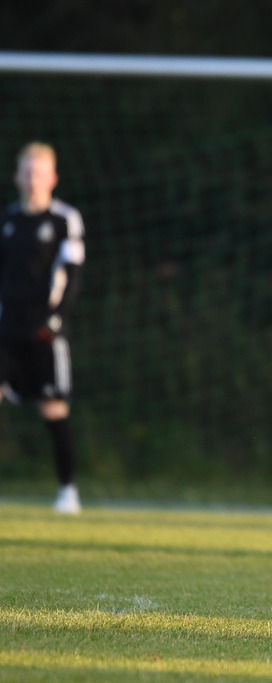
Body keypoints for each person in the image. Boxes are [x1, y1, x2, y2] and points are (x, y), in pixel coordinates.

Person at [1, 142, 86, 515]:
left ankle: (68, 490)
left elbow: (74, 274)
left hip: (44, 330)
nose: (33, 179)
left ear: (53, 178)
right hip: (6, 328)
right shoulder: (8, 220)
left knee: (53, 408)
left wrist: (55, 320)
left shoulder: (65, 219)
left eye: (40, 172)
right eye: (27, 171)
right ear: (17, 176)